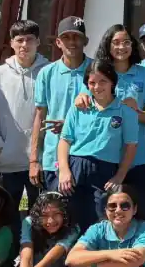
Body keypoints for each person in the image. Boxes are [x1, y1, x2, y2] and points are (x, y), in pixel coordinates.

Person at [74, 25, 145, 214]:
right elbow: (83, 103)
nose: (121, 47)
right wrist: (80, 99)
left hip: (138, 158)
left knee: (139, 214)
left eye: (126, 42)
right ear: (107, 45)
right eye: (116, 42)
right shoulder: (97, 72)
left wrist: (132, 111)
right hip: (105, 161)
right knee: (106, 218)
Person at [57, 60, 139, 231]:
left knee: (98, 219)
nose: (97, 87)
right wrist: (64, 170)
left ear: (112, 82)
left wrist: (119, 176)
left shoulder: (125, 112)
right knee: (69, 218)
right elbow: (65, 141)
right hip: (75, 167)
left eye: (103, 81)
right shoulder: (78, 108)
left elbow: (131, 146)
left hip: (104, 169)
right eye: (92, 82)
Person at [0, 19, 49, 212]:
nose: (24, 45)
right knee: (4, 216)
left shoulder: (49, 72)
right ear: (12, 43)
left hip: (41, 161)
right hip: (6, 162)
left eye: (30, 40)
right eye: (19, 40)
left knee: (41, 217)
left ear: (38, 42)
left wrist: (42, 153)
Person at [30, 17, 91, 194]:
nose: (72, 42)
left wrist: (68, 127)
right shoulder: (47, 73)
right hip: (52, 158)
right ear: (58, 42)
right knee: (56, 218)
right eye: (66, 37)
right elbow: (40, 116)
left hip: (88, 157)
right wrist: (34, 159)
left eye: (77, 37)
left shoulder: (97, 70)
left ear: (85, 41)